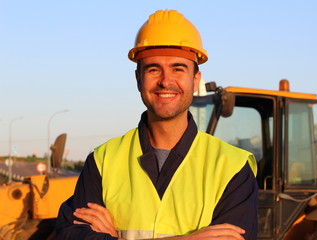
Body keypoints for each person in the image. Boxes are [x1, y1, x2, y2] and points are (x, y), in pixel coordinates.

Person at [55, 9, 258, 240]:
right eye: (153, 69)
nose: (165, 81)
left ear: (195, 80)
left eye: (178, 69)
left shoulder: (232, 168)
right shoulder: (103, 161)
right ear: (138, 79)